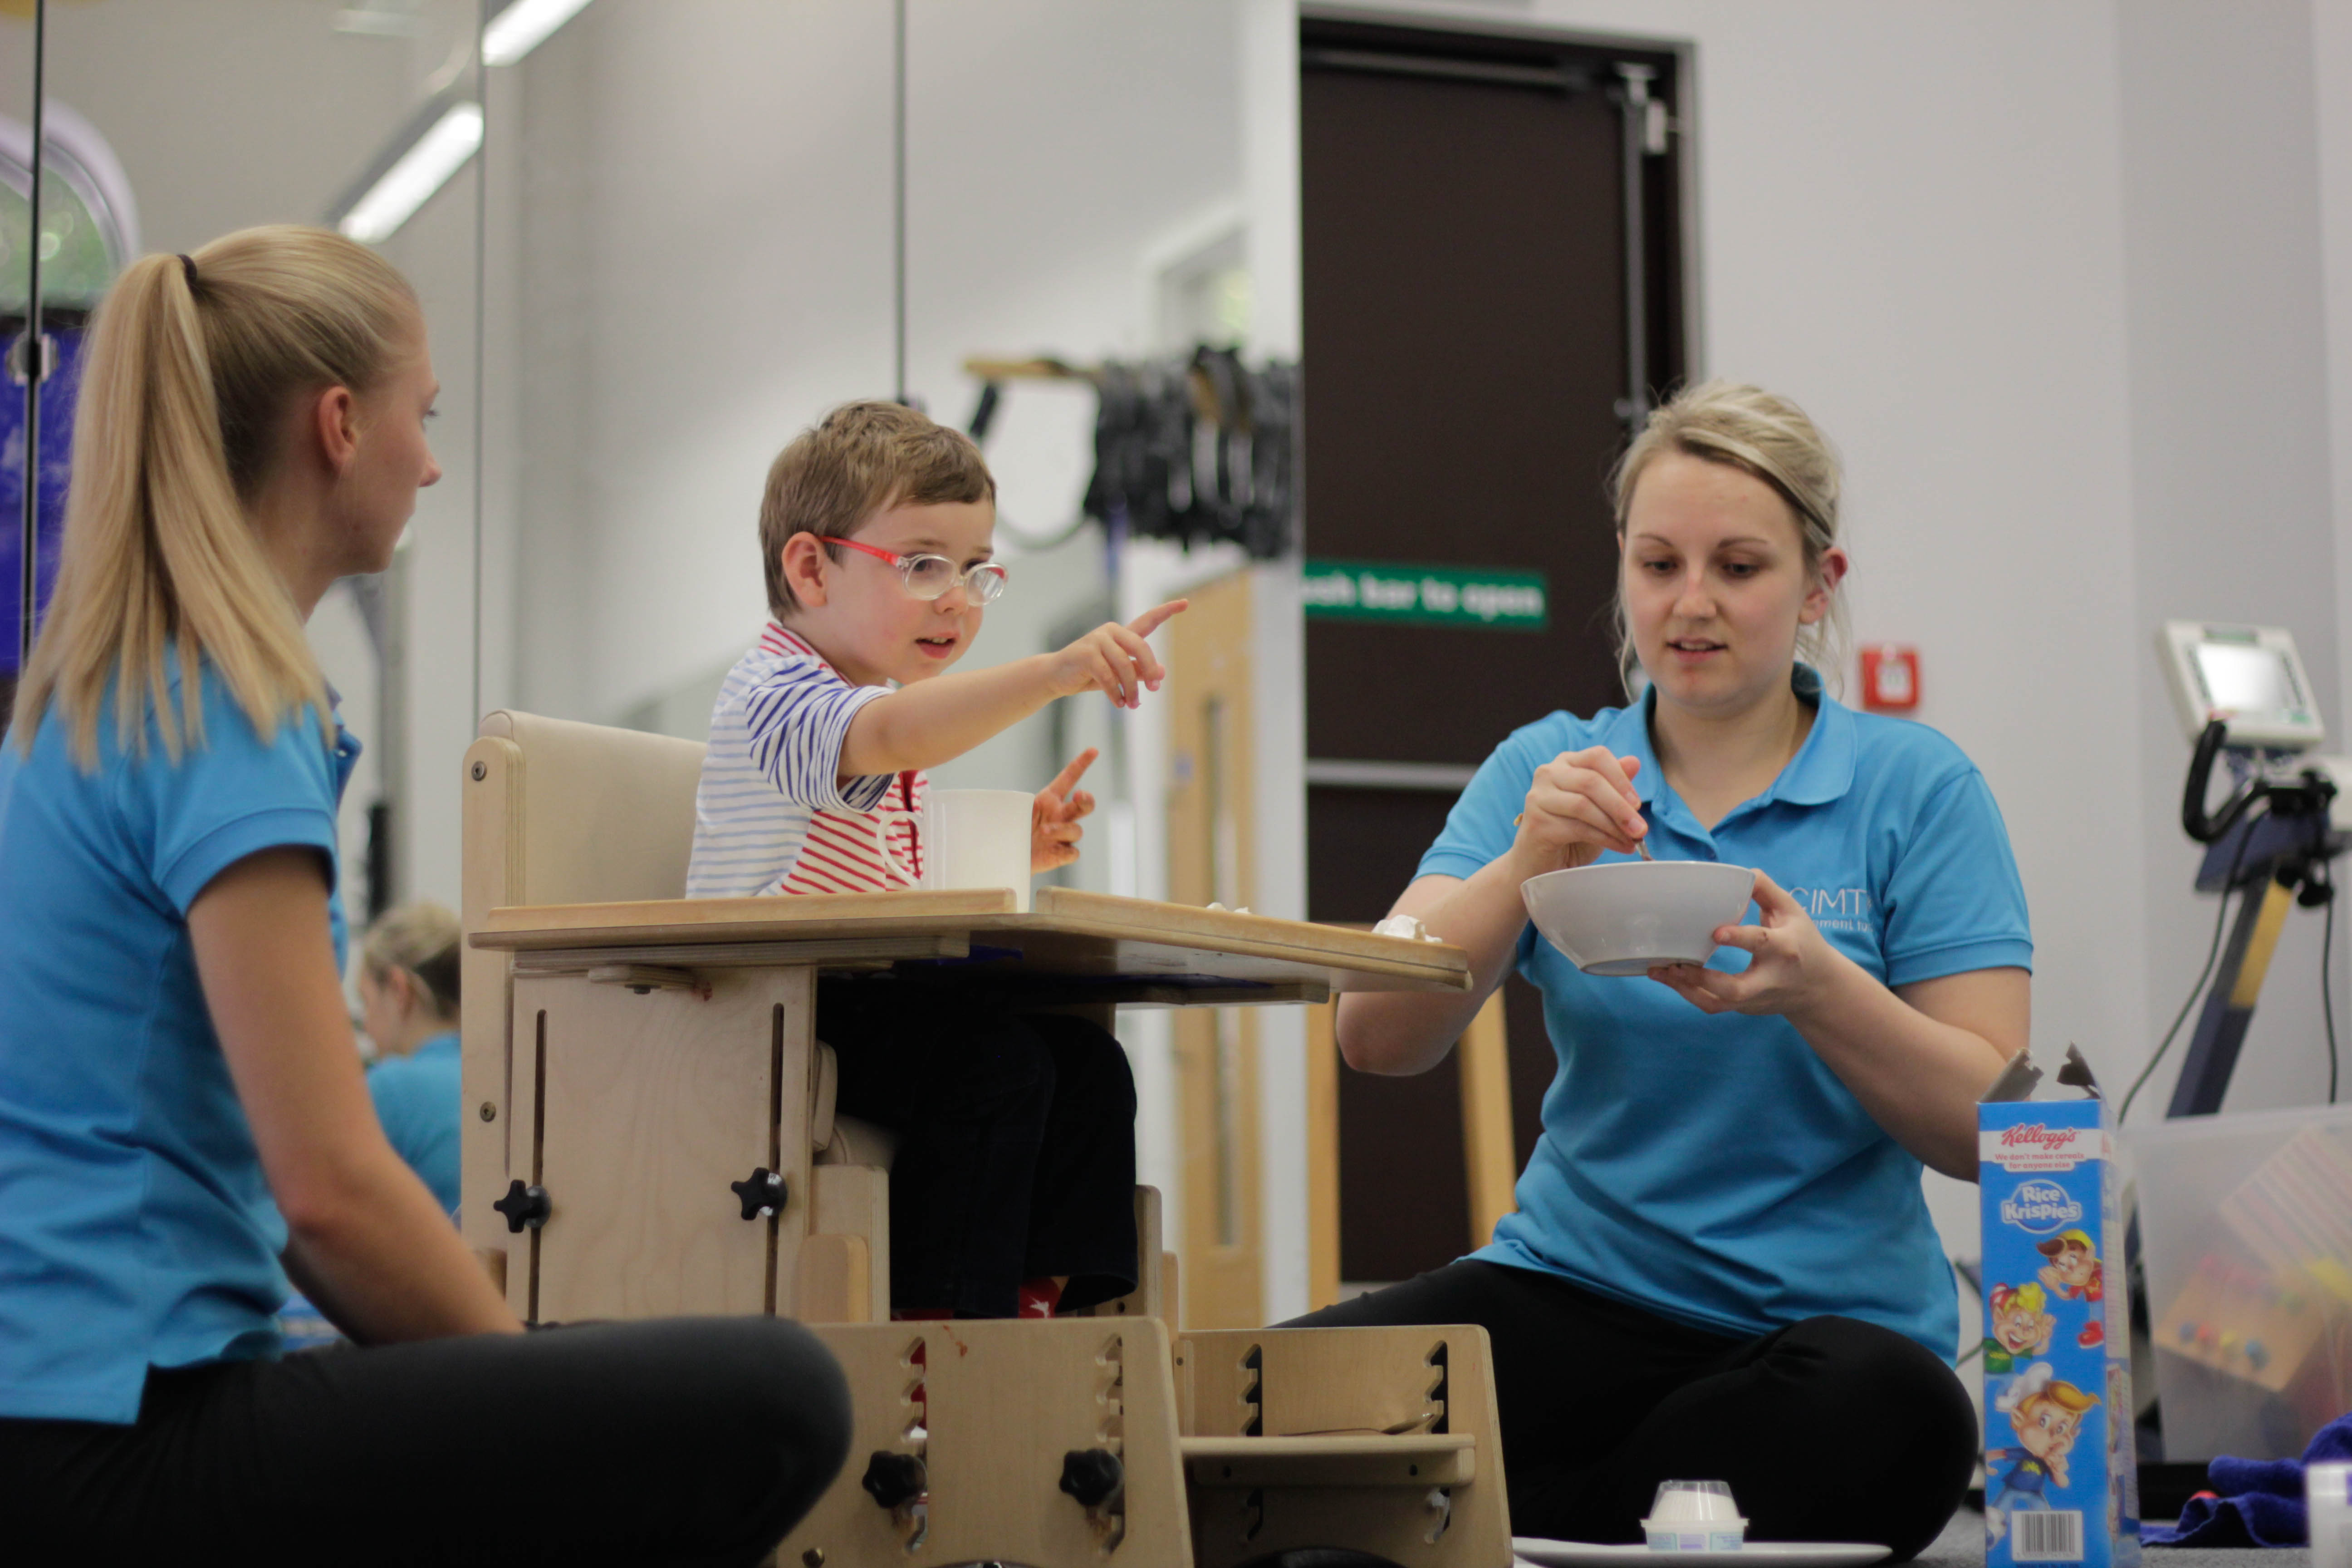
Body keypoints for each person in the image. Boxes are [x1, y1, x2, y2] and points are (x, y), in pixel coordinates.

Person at [0, 226, 848, 1565]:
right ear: (339, 425)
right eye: (424, 414)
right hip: (115, 1438)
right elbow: (329, 1193)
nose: (434, 459)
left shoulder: (96, 702)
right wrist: (529, 1385)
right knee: (783, 1394)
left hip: (62, 1413)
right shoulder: (227, 704)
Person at [1294, 380, 2029, 1558]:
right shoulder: (1549, 767)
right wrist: (1529, 860)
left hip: (1819, 1340)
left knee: (1903, 1418)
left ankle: (1475, 1526)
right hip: (1570, 1292)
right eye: (1658, 564)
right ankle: (1591, 1530)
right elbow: (1375, 1034)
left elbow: (1996, 1131)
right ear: (1623, 572)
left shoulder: (1918, 789)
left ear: (1818, 585)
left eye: (1738, 567)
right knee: (1265, 1404)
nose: (1691, 605)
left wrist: (1821, 994)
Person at [686, 399, 1183, 1320]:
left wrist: (1013, 850)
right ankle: (945, 1328)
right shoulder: (779, 691)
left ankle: (1052, 1308)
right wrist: (1053, 672)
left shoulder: (872, 704)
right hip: (772, 1007)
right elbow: (888, 739)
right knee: (994, 1069)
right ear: (811, 567)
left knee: (1087, 1065)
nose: (957, 598)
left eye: (976, 571)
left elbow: (885, 883)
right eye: (921, 566)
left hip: (860, 987)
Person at [357, 900, 464, 1213]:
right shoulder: (503, 1075)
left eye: (366, 1001)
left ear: (399, 990)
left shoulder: (391, 1088)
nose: (365, 1023)